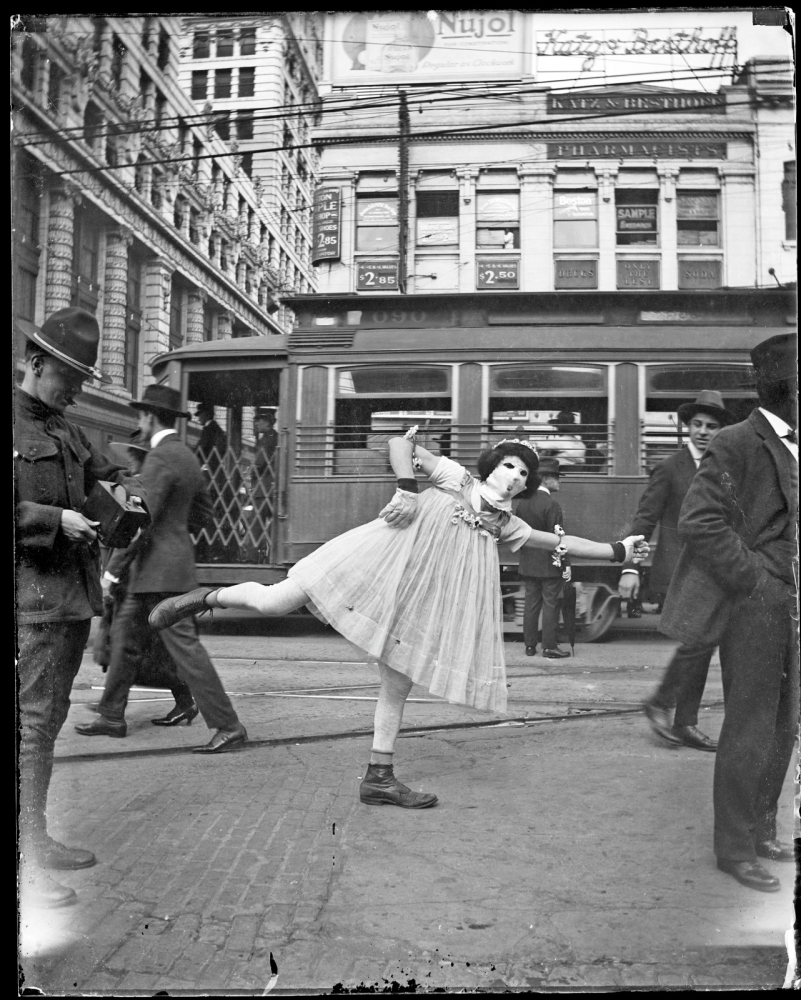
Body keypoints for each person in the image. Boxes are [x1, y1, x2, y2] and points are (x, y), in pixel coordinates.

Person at [148, 432, 647, 809]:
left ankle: (378, 776)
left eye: (523, 474)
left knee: (398, 681)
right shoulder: (455, 478)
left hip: (416, 596)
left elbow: (561, 542)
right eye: (510, 465)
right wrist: (407, 489)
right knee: (278, 600)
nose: (515, 476)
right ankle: (206, 597)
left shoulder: (506, 523)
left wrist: (617, 548)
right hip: (373, 556)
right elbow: (397, 443)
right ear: (493, 465)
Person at [660, 333, 798, 893]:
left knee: (785, 724)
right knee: (751, 725)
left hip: (793, 603)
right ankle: (735, 848)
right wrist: (758, 583)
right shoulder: (738, 442)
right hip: (758, 605)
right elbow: (700, 522)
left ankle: (763, 829)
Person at [15, 307, 143, 909]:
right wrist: (51, 519)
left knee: (43, 729)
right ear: (33, 363)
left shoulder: (67, 430)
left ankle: (33, 838)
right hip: (28, 605)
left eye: (81, 377)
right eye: (66, 374)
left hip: (68, 602)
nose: (75, 387)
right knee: (30, 731)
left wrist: (127, 496)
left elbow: (108, 476)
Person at [75, 385, 247, 752]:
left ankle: (229, 725)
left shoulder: (160, 458)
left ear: (150, 417)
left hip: (159, 575)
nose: (140, 422)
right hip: (165, 570)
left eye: (141, 416)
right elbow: (203, 515)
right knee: (125, 641)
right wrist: (176, 537)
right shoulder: (185, 455)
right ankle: (110, 715)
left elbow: (138, 522)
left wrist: (110, 573)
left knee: (185, 649)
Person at [627, 390, 736, 752]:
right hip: (682, 570)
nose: (704, 432)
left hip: (718, 569)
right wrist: (629, 565)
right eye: (698, 425)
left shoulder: (726, 465)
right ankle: (667, 707)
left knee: (702, 645)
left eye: (712, 426)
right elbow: (646, 517)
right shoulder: (670, 467)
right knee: (699, 642)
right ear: (686, 427)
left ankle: (680, 717)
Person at [91, 432, 198, 726]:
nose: (131, 462)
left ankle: (112, 714)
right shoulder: (148, 478)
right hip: (149, 571)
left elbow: (138, 531)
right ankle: (183, 702)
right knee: (152, 644)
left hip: (142, 571)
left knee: (127, 641)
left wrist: (112, 571)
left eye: (134, 457)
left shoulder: (144, 481)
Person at [515, 458, 572, 659]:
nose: (559, 482)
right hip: (549, 565)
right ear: (546, 479)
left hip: (528, 564)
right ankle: (549, 647)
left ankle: (530, 646)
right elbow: (557, 540)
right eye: (556, 478)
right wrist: (565, 565)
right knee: (550, 605)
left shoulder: (522, 504)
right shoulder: (552, 505)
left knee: (531, 604)